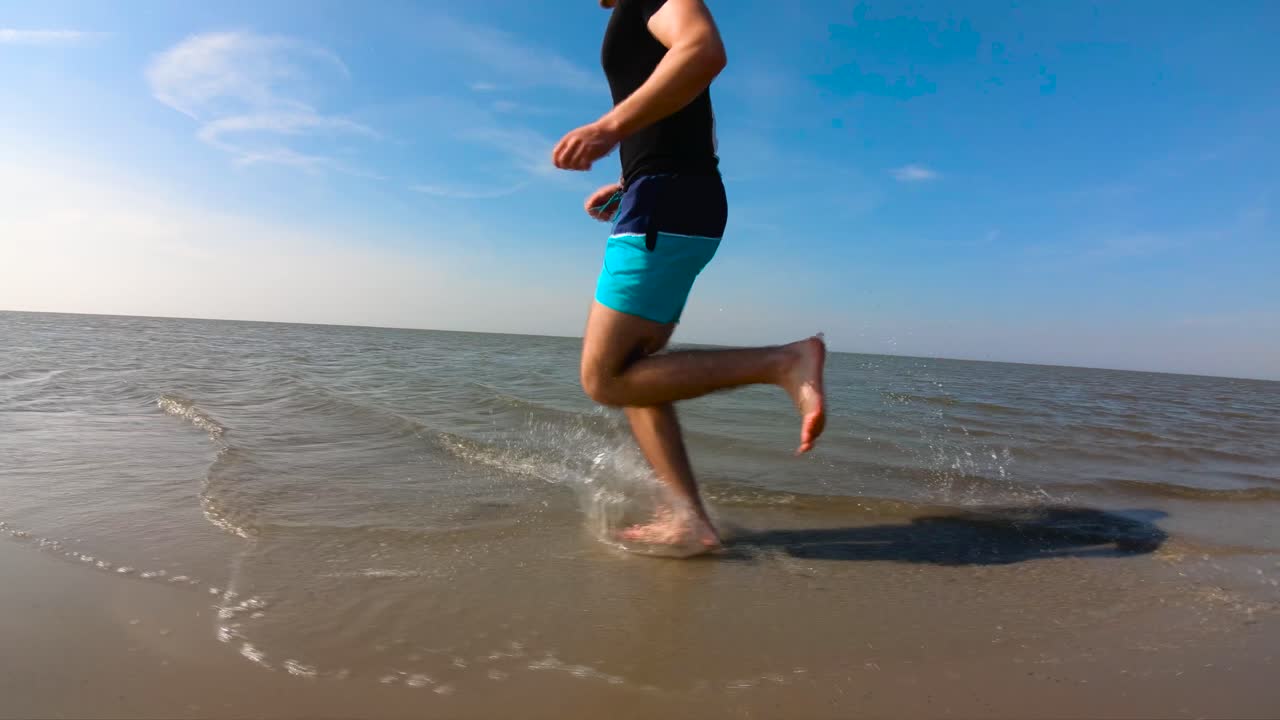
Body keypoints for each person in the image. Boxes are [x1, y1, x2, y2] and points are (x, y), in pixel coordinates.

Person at [552, 0, 826, 550]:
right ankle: (691, 519)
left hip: (667, 201)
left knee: (605, 378)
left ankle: (784, 361)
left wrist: (609, 128)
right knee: (637, 376)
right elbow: (687, 115)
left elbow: (702, 51)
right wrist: (633, 182)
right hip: (668, 196)